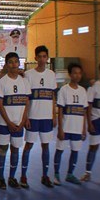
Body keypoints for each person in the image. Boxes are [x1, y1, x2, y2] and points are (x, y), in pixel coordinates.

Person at [22, 45, 57, 188]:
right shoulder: (29, 74)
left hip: (47, 117)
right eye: (39, 56)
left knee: (45, 146)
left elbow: (53, 96)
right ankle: (23, 176)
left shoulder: (51, 74)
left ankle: (45, 175)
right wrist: (26, 117)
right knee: (28, 145)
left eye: (44, 56)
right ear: (35, 58)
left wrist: (54, 115)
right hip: (33, 117)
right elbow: (26, 98)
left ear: (47, 58)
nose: (42, 59)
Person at [0, 52, 30, 190]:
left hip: (19, 123)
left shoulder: (24, 81)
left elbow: (27, 102)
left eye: (16, 61)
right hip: (5, 123)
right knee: (3, 148)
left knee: (15, 149)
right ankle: (1, 178)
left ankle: (12, 177)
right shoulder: (2, 82)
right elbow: (0, 104)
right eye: (10, 62)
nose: (14, 64)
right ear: (6, 64)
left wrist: (23, 121)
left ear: (19, 63)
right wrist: (8, 122)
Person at [54, 63, 88, 185]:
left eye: (79, 73)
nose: (77, 75)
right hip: (66, 127)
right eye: (75, 73)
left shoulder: (83, 91)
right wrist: (60, 129)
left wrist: (84, 129)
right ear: (70, 74)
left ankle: (70, 174)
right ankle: (56, 175)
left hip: (77, 128)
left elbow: (83, 111)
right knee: (60, 150)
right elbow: (61, 110)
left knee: (75, 151)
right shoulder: (64, 90)